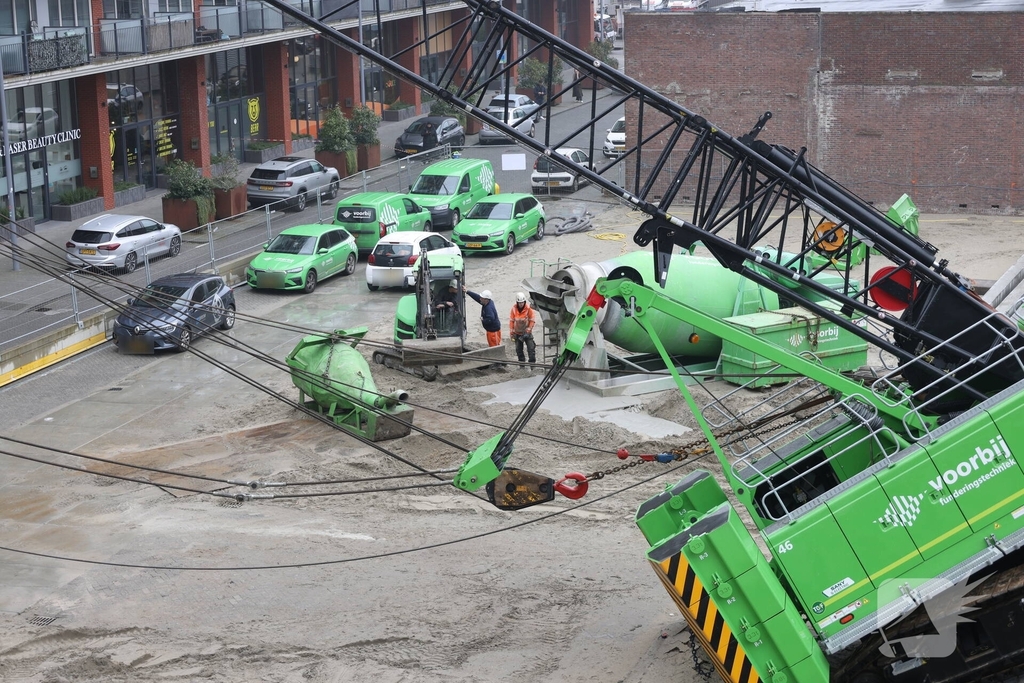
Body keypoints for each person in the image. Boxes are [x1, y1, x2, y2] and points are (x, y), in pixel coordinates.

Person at [509, 291, 537, 364]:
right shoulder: (514, 309)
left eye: (522, 302)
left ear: (524, 302)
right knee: (519, 350)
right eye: (519, 303)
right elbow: (511, 321)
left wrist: (529, 329)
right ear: (517, 302)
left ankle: (532, 364)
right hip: (517, 333)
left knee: (531, 349)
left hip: (527, 332)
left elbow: (532, 320)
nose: (521, 304)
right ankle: (522, 364)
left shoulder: (528, 309)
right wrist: (512, 332)